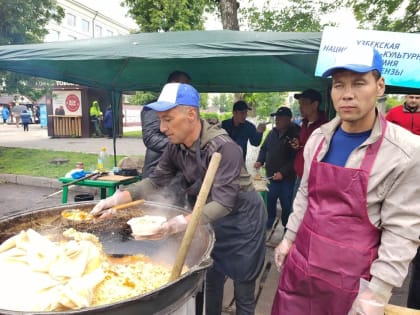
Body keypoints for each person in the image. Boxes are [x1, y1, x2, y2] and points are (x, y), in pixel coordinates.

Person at [91, 83, 267, 315]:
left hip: (243, 223)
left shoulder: (225, 148)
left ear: (191, 114)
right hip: (209, 218)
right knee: (212, 277)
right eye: (160, 120)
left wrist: (179, 223)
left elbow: (224, 203)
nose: (162, 128)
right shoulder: (176, 147)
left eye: (168, 119)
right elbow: (155, 182)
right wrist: (117, 199)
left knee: (243, 289)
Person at [271, 46, 420, 315]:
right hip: (301, 270)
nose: (347, 94)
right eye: (339, 84)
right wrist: (288, 238)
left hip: (351, 285)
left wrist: (379, 291)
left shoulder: (406, 152)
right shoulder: (318, 139)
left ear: (380, 86)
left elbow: (402, 232)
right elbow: (305, 195)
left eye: (359, 82)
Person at [254, 107, 300, 230]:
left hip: (287, 179)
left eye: (280, 118)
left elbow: (295, 158)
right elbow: (264, 148)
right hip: (271, 176)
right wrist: (260, 160)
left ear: (288, 119)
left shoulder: (295, 134)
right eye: (276, 118)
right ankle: (269, 221)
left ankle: (286, 225)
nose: (277, 120)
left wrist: (283, 173)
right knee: (270, 200)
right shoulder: (272, 132)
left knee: (286, 204)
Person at [141, 70, 191, 178]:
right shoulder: (153, 107)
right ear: (173, 84)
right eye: (185, 86)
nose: (187, 90)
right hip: (156, 171)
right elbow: (150, 138)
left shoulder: (183, 108)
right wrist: (181, 146)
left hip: (177, 175)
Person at [291, 89, 328, 192]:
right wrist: (298, 145)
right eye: (300, 103)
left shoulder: (325, 127)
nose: (300, 107)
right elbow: (304, 146)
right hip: (300, 174)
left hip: (313, 179)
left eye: (304, 103)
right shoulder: (304, 123)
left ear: (315, 105)